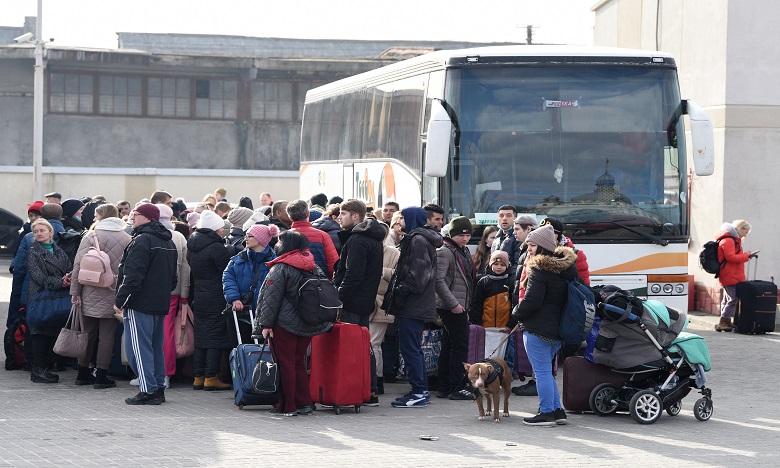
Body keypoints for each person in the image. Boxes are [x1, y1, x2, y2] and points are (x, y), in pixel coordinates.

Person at [505, 223, 579, 426]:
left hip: (538, 328)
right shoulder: (566, 269)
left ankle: (546, 412)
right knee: (546, 371)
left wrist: (515, 314)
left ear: (543, 247)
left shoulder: (539, 268)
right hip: (558, 329)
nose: (528, 248)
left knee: (542, 373)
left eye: (532, 245)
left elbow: (532, 301)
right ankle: (557, 411)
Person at [254, 231, 331, 417]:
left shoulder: (280, 267)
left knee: (285, 364)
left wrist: (265, 325)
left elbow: (270, 300)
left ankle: (287, 405)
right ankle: (304, 403)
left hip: (284, 324)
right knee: (299, 363)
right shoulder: (313, 266)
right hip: (308, 323)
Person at [114, 203, 177, 405]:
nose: (132, 217)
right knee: (155, 348)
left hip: (139, 302)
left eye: (136, 214)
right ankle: (158, 387)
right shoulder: (168, 241)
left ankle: (148, 390)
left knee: (138, 350)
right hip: (159, 303)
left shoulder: (142, 240)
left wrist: (120, 300)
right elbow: (173, 279)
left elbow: (133, 275)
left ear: (148, 218)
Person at [383, 207, 442, 408]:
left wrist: (400, 290)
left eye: (402, 218)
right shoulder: (418, 239)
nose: (399, 222)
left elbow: (418, 277)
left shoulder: (418, 240)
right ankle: (420, 389)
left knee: (410, 349)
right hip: (416, 303)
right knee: (411, 348)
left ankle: (419, 392)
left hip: (414, 304)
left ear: (412, 219)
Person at [70, 204, 131, 389]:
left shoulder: (91, 235)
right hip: (114, 291)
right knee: (107, 336)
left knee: (87, 333)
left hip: (89, 289)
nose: (94, 219)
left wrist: (75, 292)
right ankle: (101, 375)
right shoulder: (128, 237)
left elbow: (77, 266)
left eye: (96, 215)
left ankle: (82, 372)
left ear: (101, 216)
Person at [334, 198, 385, 405]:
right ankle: (369, 390)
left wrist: (338, 298)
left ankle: (356, 390)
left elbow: (352, 276)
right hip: (365, 300)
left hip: (352, 302)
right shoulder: (373, 238)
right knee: (365, 346)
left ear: (355, 216)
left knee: (352, 348)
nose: (339, 218)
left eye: (343, 214)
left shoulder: (357, 240)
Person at [187, 210, 233, 391]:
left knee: (201, 336)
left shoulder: (193, 246)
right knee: (215, 337)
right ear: (214, 229)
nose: (222, 231)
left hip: (199, 295)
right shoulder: (217, 248)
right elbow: (226, 272)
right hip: (216, 296)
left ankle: (198, 376)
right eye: (220, 228)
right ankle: (211, 376)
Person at [26, 219, 73, 383]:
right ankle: (38, 369)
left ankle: (46, 367)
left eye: (42, 230)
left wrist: (68, 278)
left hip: (57, 297)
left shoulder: (58, 250)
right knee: (39, 332)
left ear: (50, 232)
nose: (38, 233)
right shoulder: (33, 251)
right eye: (36, 231)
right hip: (40, 297)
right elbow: (38, 277)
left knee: (52, 331)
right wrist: (60, 282)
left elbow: (68, 268)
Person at [435, 216, 476, 401]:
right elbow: (438, 280)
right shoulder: (445, 251)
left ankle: (444, 386)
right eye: (461, 235)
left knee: (450, 345)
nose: (465, 238)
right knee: (459, 345)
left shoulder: (462, 250)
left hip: (459, 304)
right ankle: (456, 386)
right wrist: (454, 304)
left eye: (468, 235)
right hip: (451, 306)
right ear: (452, 234)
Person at [222, 224, 278, 342]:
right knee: (242, 349)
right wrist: (234, 298)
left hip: (264, 316)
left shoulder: (274, 262)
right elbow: (227, 278)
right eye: (246, 236)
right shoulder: (238, 259)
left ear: (260, 239)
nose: (245, 239)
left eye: (249, 236)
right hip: (241, 312)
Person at [156, 204, 190, 388]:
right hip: (173, 290)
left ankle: (152, 372)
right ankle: (166, 373)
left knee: (149, 332)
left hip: (150, 292)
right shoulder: (178, 237)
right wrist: (184, 294)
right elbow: (185, 267)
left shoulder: (144, 236)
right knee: (167, 332)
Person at [368, 222, 400, 396]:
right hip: (363, 302)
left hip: (382, 304)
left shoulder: (394, 253)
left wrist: (380, 270)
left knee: (374, 343)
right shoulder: (364, 248)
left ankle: (377, 379)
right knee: (369, 343)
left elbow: (398, 276)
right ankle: (371, 378)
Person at [715, 220, 754, 332]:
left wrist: (746, 256)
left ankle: (725, 322)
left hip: (731, 273)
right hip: (730, 274)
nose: (745, 235)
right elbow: (731, 257)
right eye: (745, 232)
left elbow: (734, 257)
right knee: (732, 298)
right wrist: (745, 256)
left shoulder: (730, 239)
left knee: (728, 298)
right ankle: (724, 321)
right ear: (740, 228)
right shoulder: (729, 240)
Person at [287, 200, 339, 278]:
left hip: (292, 282)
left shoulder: (284, 237)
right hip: (319, 282)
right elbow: (333, 263)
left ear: (290, 217)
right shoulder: (322, 235)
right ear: (308, 214)